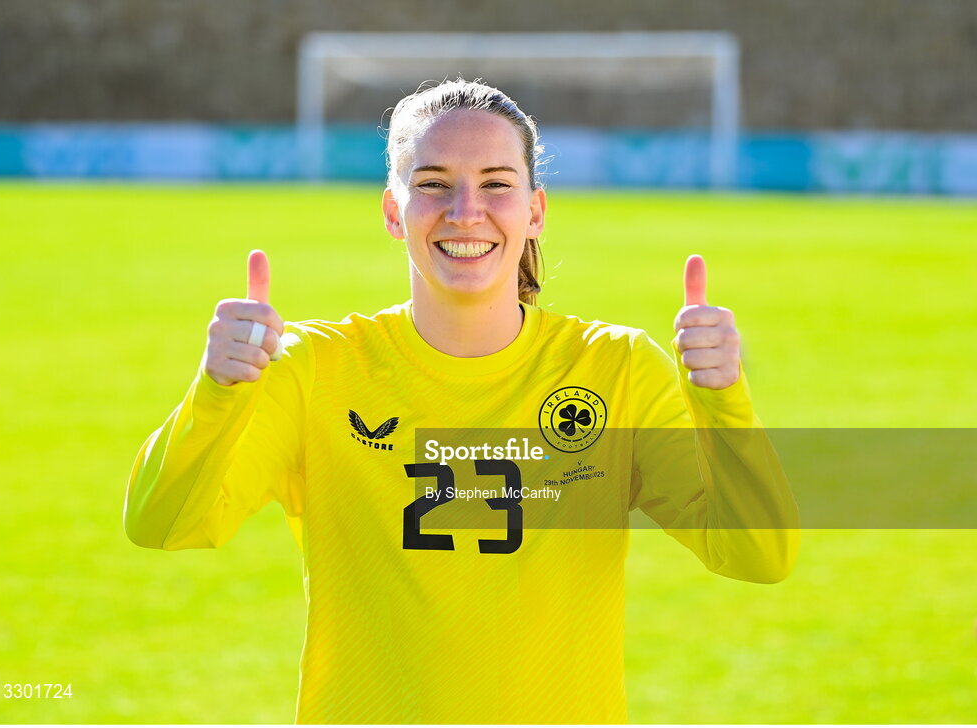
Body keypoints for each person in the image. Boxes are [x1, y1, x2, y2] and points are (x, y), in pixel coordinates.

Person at [125, 79, 800, 724]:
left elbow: (759, 557)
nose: (465, 211)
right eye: (434, 185)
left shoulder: (615, 369)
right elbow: (165, 524)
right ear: (394, 211)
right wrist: (218, 393)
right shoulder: (312, 369)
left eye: (496, 185)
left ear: (535, 210)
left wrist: (723, 403)